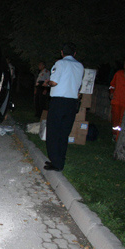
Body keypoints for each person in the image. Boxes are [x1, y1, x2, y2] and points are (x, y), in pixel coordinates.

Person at [44, 43, 84, 171]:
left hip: (59, 102)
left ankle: (55, 161)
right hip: (72, 103)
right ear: (75, 53)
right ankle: (59, 161)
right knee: (64, 133)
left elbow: (54, 82)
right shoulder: (80, 66)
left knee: (53, 132)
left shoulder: (60, 63)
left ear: (62, 52)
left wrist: (47, 83)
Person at [109, 59, 125, 140]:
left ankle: (119, 137)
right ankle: (114, 135)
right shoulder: (118, 74)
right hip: (116, 101)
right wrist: (111, 92)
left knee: (122, 121)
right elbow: (112, 85)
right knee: (115, 120)